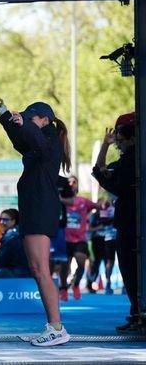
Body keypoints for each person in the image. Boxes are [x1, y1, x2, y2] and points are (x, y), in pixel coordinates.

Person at [0, 98, 71, 346]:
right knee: (37, 270)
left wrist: (23, 124)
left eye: (31, 118)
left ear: (45, 120)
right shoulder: (37, 142)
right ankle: (52, 325)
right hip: (32, 208)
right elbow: (21, 140)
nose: (26, 122)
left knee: (42, 270)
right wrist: (6, 116)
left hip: (40, 209)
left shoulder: (48, 142)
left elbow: (35, 139)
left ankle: (56, 328)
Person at [92, 112, 139, 332]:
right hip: (128, 223)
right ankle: (137, 312)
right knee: (130, 270)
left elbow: (107, 179)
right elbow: (101, 172)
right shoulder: (124, 162)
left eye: (119, 140)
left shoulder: (131, 163)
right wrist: (105, 145)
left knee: (131, 270)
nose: (117, 144)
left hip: (131, 224)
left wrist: (105, 147)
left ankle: (138, 312)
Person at [59, 175, 97, 300]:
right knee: (64, 267)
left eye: (74, 181)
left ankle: (76, 284)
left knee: (81, 263)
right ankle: (63, 288)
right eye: (68, 181)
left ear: (77, 185)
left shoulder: (83, 201)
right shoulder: (59, 201)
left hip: (80, 239)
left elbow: (97, 206)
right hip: (64, 239)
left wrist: (104, 204)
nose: (71, 183)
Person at [87, 199, 116, 295]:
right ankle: (90, 283)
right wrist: (98, 228)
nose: (103, 206)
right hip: (96, 241)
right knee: (96, 262)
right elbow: (89, 228)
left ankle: (108, 283)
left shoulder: (111, 211)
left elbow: (108, 222)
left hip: (108, 240)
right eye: (101, 204)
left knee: (108, 261)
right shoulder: (94, 215)